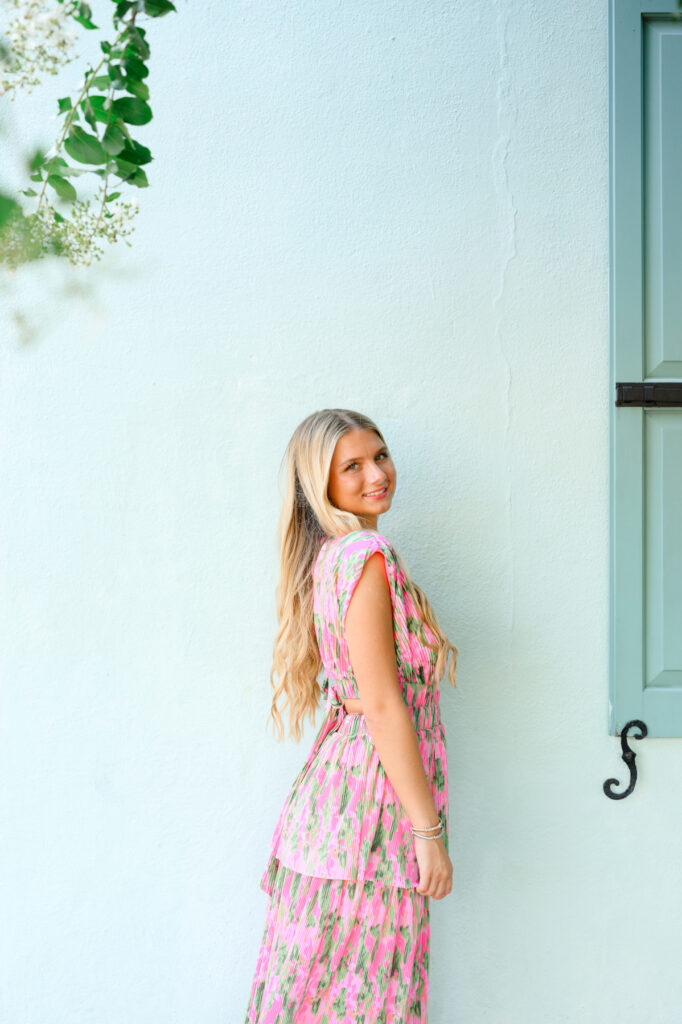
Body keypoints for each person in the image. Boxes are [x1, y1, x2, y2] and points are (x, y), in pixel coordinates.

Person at [243, 408, 457, 1023]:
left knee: (316, 994)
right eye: (353, 466)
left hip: (341, 806)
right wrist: (428, 834)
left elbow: (368, 694)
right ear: (321, 482)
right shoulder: (364, 555)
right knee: (367, 1000)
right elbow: (385, 704)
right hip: (371, 817)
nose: (376, 474)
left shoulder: (332, 556)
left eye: (380, 455)